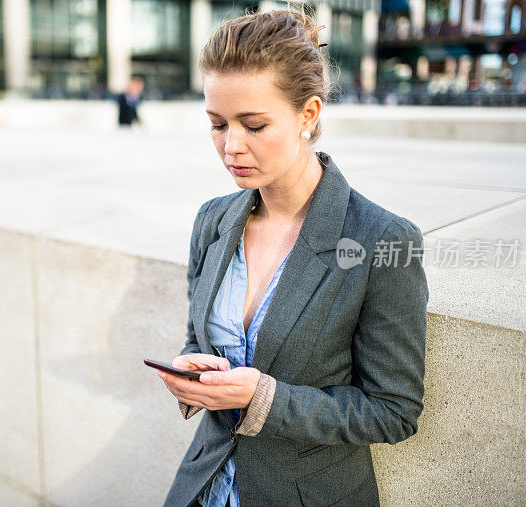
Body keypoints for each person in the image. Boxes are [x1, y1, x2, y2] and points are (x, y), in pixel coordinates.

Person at [157, 8, 428, 507]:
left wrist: (264, 399)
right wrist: (194, 375)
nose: (230, 146)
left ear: (309, 114)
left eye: (254, 125)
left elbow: (393, 411)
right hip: (204, 487)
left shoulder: (382, 239)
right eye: (217, 124)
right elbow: (200, 337)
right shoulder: (213, 221)